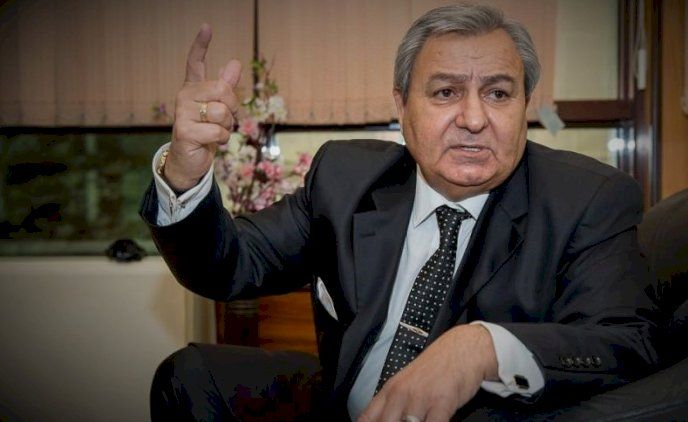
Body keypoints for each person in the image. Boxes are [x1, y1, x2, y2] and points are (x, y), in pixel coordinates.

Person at [141, 4, 659, 421]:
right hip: (345, 399)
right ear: (402, 105)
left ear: (525, 105)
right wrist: (185, 171)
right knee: (191, 375)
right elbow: (228, 266)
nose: (474, 118)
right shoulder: (347, 178)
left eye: (499, 93)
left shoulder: (586, 199)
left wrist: (484, 347)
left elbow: (627, 342)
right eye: (445, 92)